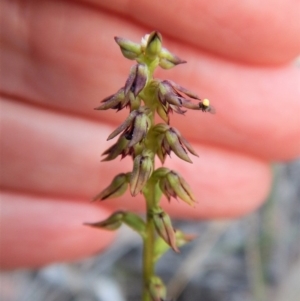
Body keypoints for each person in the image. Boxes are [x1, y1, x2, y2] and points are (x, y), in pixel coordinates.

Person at [1, 0, 299, 270]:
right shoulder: (139, 101)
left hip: (152, 136)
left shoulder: (157, 101)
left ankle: (156, 264)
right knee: (140, 159)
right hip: (142, 133)